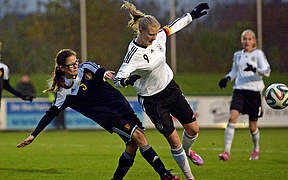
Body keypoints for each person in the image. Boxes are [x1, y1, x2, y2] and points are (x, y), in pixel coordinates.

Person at [16, 49, 181, 180]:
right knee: (139, 136)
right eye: (71, 65)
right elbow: (50, 114)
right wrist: (33, 135)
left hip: (121, 106)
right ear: (61, 68)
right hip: (108, 117)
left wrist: (122, 79)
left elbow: (105, 73)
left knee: (132, 146)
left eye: (76, 62)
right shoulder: (63, 92)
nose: (75, 66)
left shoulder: (86, 67)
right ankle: (164, 174)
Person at [114, 2, 209, 179]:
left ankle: (188, 151)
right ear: (140, 32)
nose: (154, 38)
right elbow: (117, 79)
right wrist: (126, 81)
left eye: (155, 34)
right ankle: (190, 177)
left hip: (170, 89)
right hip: (152, 100)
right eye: (150, 35)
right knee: (174, 140)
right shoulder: (133, 54)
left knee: (194, 129)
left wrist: (192, 15)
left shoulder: (158, 36)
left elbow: (172, 27)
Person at [218, 29, 271, 161]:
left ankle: (256, 150)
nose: (247, 41)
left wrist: (255, 70)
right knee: (232, 117)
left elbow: (267, 71)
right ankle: (226, 152)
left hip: (254, 92)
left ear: (254, 41)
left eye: (249, 39)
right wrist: (227, 78)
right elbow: (234, 71)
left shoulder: (258, 54)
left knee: (253, 126)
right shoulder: (237, 55)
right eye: (245, 39)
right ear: (241, 41)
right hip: (240, 90)